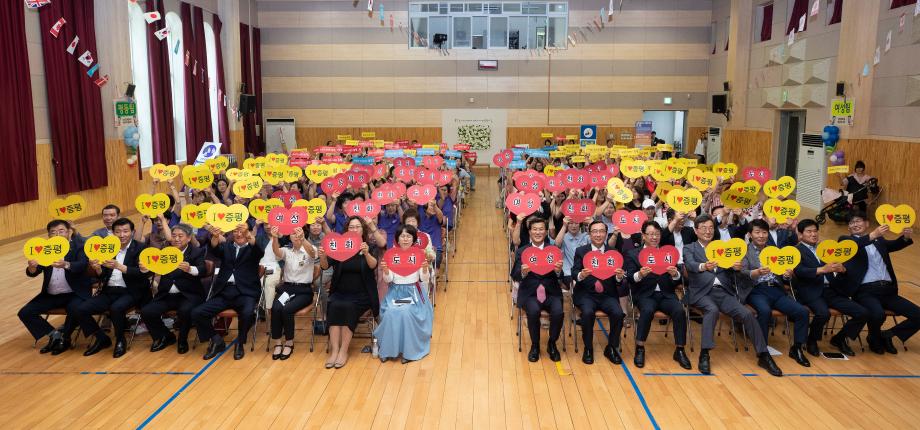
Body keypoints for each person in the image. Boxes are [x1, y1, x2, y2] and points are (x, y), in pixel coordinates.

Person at [683, 215, 782, 376]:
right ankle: (705, 353)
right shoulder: (690, 248)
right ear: (696, 230)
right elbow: (690, 264)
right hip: (702, 292)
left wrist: (735, 267)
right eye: (704, 228)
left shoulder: (724, 247)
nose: (708, 231)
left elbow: (732, 270)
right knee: (712, 310)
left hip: (723, 291)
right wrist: (703, 266)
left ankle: (763, 354)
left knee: (747, 314)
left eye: (710, 228)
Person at [840, 212, 919, 354]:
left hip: (887, 291)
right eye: (852, 223)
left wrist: (905, 237)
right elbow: (855, 245)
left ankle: (887, 335)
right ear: (848, 228)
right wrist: (872, 235)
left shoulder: (879, 241)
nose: (855, 224)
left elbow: (894, 245)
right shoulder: (846, 241)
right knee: (877, 314)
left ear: (867, 224)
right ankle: (874, 338)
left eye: (858, 221)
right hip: (865, 291)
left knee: (918, 314)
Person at [739, 219, 811, 367]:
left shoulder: (774, 250)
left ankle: (796, 348)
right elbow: (741, 272)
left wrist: (787, 274)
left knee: (802, 312)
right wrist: (756, 272)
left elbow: (782, 274)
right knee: (764, 311)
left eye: (764, 232)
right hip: (756, 290)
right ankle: (763, 353)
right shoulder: (744, 250)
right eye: (757, 232)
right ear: (750, 235)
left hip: (775, 289)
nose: (761, 235)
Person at [77, 218, 150, 358]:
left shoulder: (141, 248)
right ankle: (101, 338)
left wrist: (120, 267)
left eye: (125, 231)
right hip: (109, 290)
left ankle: (120, 339)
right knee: (81, 309)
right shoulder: (109, 248)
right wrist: (98, 269)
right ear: (112, 233)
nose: (122, 235)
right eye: (118, 232)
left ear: (133, 232)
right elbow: (102, 275)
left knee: (116, 308)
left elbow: (144, 274)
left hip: (131, 291)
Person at [791, 219, 865, 357]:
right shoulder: (796, 250)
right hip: (811, 291)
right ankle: (812, 340)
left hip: (831, 290)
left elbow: (839, 269)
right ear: (800, 235)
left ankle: (839, 339)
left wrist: (843, 270)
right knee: (823, 313)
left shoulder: (825, 249)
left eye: (815, 231)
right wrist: (821, 270)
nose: (813, 234)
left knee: (862, 312)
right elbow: (799, 271)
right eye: (809, 231)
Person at [18, 220, 92, 355]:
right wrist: (32, 267)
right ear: (49, 235)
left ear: (69, 232)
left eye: (61, 231)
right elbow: (33, 272)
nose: (57, 234)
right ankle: (55, 335)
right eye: (53, 232)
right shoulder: (46, 251)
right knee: (25, 312)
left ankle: (66, 338)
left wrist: (66, 264)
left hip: (74, 293)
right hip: (51, 294)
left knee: (74, 308)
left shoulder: (79, 247)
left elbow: (81, 265)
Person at [193, 222, 264, 360]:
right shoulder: (227, 247)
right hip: (225, 291)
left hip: (246, 292)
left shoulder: (253, 249)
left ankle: (240, 343)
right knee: (197, 313)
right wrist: (214, 236)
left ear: (248, 233)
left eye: (242, 231)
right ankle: (216, 340)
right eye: (236, 231)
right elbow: (214, 250)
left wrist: (248, 234)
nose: (238, 234)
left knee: (248, 313)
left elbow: (259, 251)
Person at [624, 221, 691, 369]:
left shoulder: (668, 252)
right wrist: (639, 274)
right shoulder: (634, 254)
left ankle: (680, 350)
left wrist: (675, 274)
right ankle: (640, 348)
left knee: (680, 311)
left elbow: (680, 279)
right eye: (651, 234)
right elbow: (629, 278)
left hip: (667, 294)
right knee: (647, 310)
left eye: (657, 234)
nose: (654, 237)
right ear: (643, 236)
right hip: (645, 295)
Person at [318, 216, 380, 369]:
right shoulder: (340, 246)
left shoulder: (369, 246)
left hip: (362, 294)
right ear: (346, 230)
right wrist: (322, 256)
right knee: (333, 304)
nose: (354, 230)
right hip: (340, 291)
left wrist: (366, 253)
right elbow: (325, 266)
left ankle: (343, 351)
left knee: (348, 307)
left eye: (357, 227)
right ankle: (334, 351)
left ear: (362, 230)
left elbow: (373, 265)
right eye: (351, 227)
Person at [140, 223, 207, 354]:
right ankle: (165, 336)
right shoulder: (163, 252)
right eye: (174, 235)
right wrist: (145, 270)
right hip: (166, 295)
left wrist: (190, 269)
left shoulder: (196, 252)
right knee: (147, 311)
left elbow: (203, 270)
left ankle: (182, 339)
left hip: (188, 295)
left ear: (188, 238)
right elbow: (152, 270)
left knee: (185, 311)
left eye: (180, 236)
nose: (176, 239)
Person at [375, 225, 434, 363]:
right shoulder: (391, 254)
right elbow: (388, 280)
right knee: (390, 313)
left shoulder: (419, 254)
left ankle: (410, 351)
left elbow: (423, 279)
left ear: (413, 239)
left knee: (407, 313)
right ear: (397, 239)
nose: (405, 239)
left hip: (413, 293)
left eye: (408, 236)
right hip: (395, 292)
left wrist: (425, 269)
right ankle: (388, 350)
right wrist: (387, 271)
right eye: (402, 236)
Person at [571, 221, 627, 365]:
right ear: (589, 234)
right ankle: (588, 348)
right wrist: (581, 275)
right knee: (588, 313)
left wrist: (619, 277)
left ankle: (611, 347)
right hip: (586, 294)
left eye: (601, 231)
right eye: (594, 231)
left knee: (618, 313)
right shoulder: (581, 251)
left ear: (606, 233)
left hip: (607, 294)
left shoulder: (613, 253)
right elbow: (574, 273)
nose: (598, 234)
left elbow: (618, 281)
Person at [510, 217, 565, 362]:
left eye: (541, 229)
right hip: (530, 293)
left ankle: (552, 343)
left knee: (559, 311)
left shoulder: (553, 251)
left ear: (546, 232)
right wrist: (523, 272)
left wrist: (559, 271)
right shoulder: (522, 251)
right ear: (529, 232)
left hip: (551, 292)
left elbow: (561, 276)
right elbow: (514, 274)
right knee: (533, 311)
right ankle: (535, 345)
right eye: (535, 229)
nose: (538, 232)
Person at [268, 226, 316, 360]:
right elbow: (276, 251)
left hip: (304, 291)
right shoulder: (287, 250)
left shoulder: (308, 250)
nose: (295, 236)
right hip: (287, 289)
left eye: (298, 233)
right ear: (289, 236)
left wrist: (303, 239)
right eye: (293, 234)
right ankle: (278, 343)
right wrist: (275, 237)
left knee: (287, 309)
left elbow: (313, 253)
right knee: (276, 308)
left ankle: (289, 342)